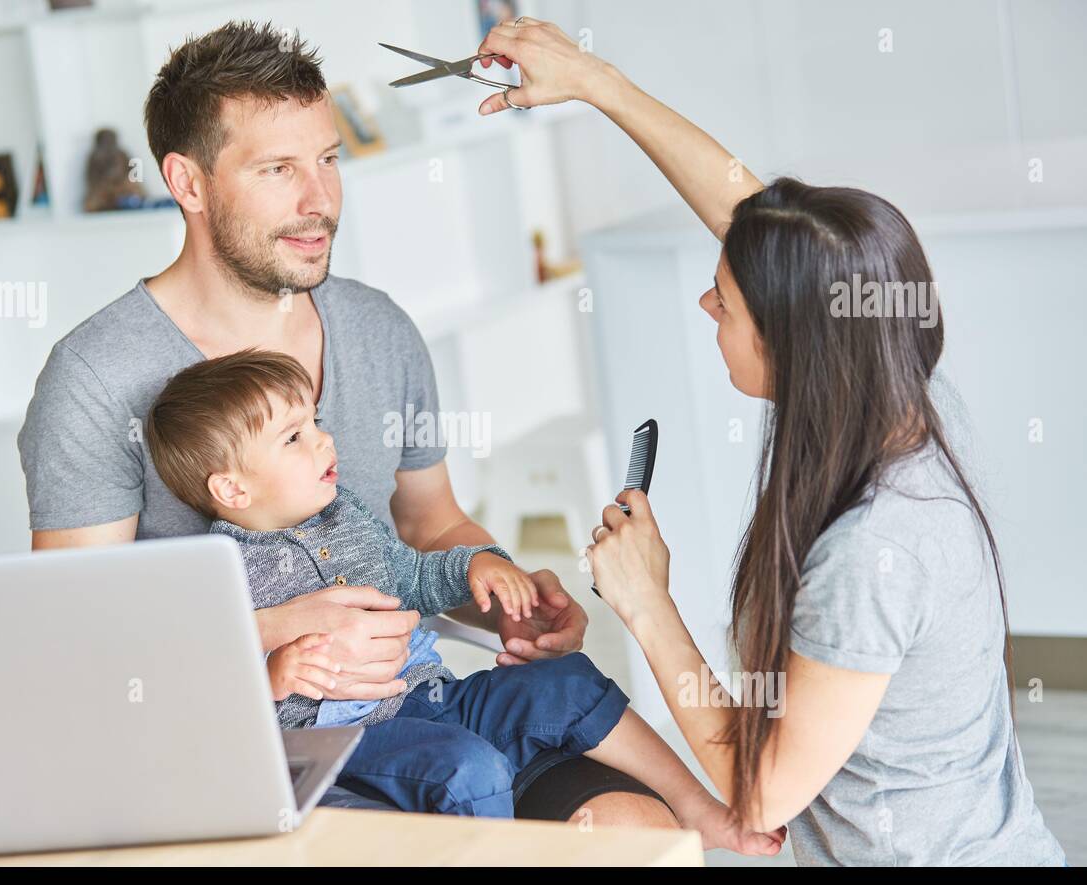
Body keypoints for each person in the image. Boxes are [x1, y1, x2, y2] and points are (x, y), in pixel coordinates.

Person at [17, 20, 668, 824]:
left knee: (639, 833)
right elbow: (80, 638)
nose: (319, 200)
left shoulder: (379, 328)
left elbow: (429, 523)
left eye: (328, 160)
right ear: (188, 183)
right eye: (278, 169)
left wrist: (501, 591)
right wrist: (292, 628)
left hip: (423, 708)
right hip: (255, 749)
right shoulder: (94, 378)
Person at [479, 15, 1068, 865]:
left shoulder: (875, 549)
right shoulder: (899, 385)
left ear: (790, 339)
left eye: (724, 300)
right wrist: (593, 81)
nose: (706, 308)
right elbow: (763, 227)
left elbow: (763, 795)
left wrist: (646, 604)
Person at [139, 348, 783, 853]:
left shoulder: (348, 517)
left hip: (433, 697)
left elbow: (414, 577)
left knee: (564, 681)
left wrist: (478, 566)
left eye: (317, 422)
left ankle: (698, 808)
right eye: (293, 438)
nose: (323, 442)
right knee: (466, 771)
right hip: (347, 744)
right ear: (231, 488)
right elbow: (197, 677)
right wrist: (274, 678)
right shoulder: (217, 573)